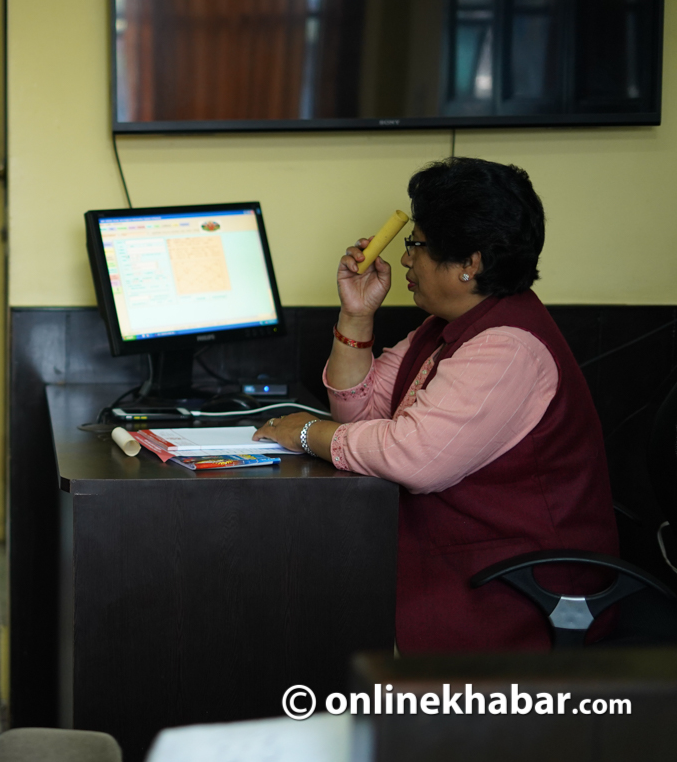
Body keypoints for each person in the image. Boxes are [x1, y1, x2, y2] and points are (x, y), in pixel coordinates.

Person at [253, 157, 618, 653]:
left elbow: (413, 458)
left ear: (471, 263)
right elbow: (359, 414)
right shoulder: (446, 328)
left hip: (516, 596)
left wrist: (305, 433)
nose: (406, 259)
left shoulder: (507, 347)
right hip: (455, 568)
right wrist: (356, 314)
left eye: (417, 245)